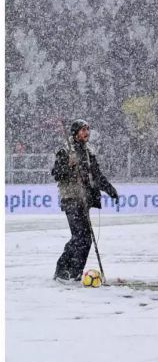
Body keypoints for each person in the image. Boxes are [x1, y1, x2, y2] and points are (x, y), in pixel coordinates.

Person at [51, 119, 119, 283]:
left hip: (85, 200)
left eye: (87, 129)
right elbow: (56, 173)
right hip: (71, 198)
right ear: (75, 133)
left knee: (85, 238)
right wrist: (68, 165)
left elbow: (97, 176)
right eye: (82, 130)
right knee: (79, 237)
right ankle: (62, 269)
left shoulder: (89, 153)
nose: (86, 133)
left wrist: (110, 189)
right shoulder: (65, 151)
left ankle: (75, 272)